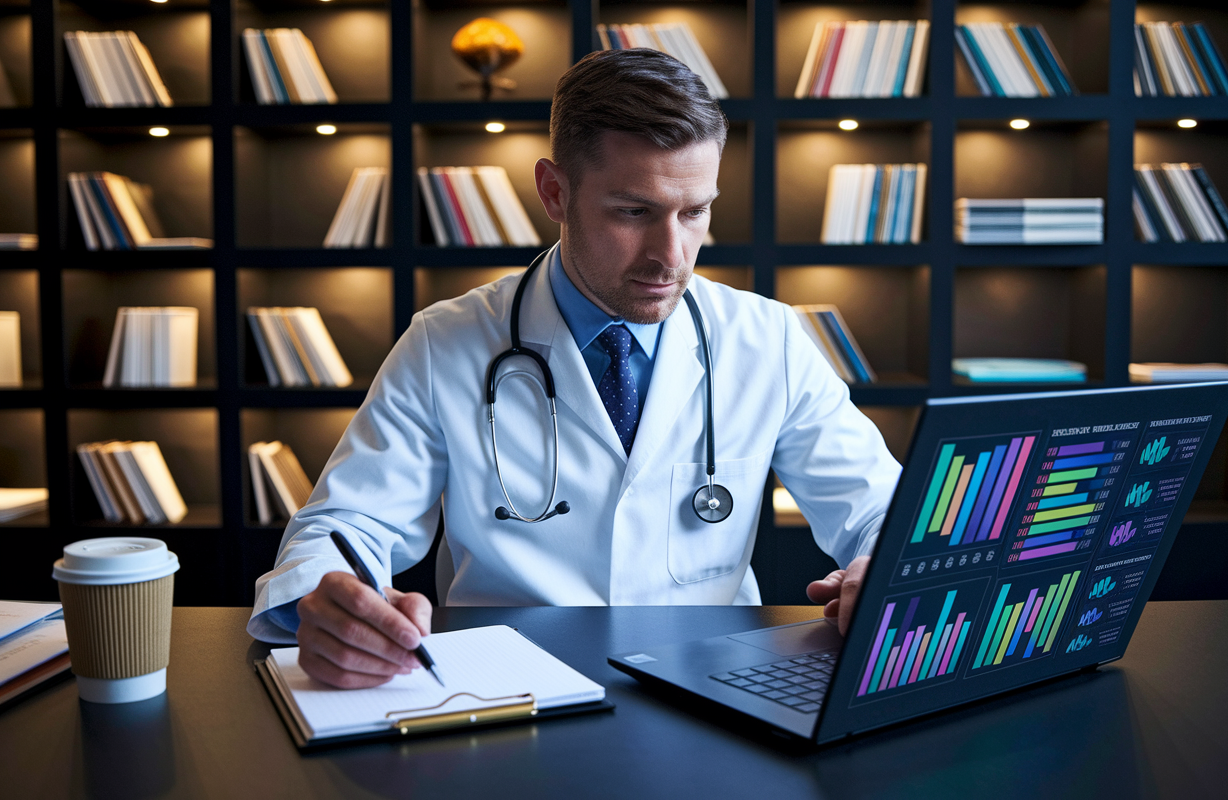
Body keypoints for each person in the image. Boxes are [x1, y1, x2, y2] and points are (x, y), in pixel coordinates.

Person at [247, 48, 901, 689]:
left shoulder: (768, 339)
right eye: (633, 211)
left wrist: (880, 562)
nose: (670, 256)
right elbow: (347, 524)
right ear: (554, 192)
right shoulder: (443, 342)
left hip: (711, 689)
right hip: (508, 693)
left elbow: (880, 506)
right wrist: (328, 604)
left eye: (694, 211)